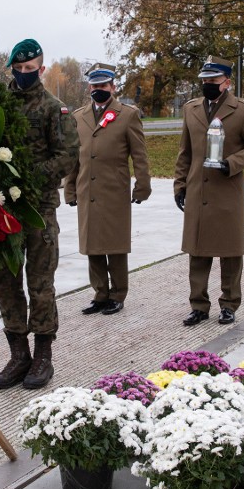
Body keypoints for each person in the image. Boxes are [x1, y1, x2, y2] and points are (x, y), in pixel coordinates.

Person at [0, 39, 80, 390]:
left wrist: (29, 175)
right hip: (0, 211)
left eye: (31, 69)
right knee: (5, 282)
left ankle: (43, 356)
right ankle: (18, 355)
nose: (24, 74)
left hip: (38, 211)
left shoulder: (54, 109)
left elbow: (69, 156)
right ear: (11, 68)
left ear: (42, 70)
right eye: (19, 69)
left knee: (40, 284)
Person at [174, 56, 244, 327]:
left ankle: (229, 304)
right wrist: (179, 184)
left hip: (227, 190)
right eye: (204, 81)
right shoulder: (191, 109)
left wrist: (232, 163)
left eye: (213, 81)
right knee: (198, 251)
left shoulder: (243, 110)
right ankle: (198, 305)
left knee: (230, 252)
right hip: (197, 190)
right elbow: (185, 152)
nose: (207, 85)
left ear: (227, 82)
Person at [64, 63, 151, 316]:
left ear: (113, 87)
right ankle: (100, 294)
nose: (98, 90)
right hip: (86, 190)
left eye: (103, 85)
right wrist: (69, 189)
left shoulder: (127, 114)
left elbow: (140, 155)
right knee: (92, 245)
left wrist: (142, 186)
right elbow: (73, 157)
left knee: (115, 245)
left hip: (114, 189)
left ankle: (118, 294)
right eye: (94, 85)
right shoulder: (79, 116)